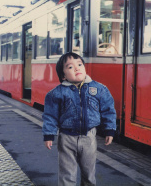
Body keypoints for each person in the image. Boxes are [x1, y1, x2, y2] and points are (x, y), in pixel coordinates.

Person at [42, 52, 116, 186]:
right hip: (66, 138)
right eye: (70, 67)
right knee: (67, 174)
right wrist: (49, 134)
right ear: (63, 75)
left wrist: (109, 130)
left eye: (80, 64)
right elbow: (50, 116)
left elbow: (108, 110)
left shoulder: (99, 89)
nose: (77, 68)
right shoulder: (56, 93)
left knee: (89, 173)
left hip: (89, 137)